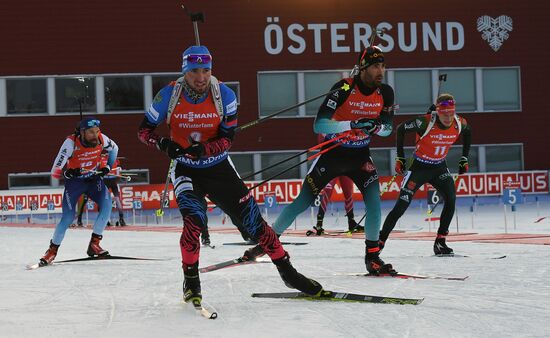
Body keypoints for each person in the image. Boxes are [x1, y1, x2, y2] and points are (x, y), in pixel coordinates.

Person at [137, 45, 323, 305]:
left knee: (255, 226)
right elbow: (144, 131)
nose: (201, 77)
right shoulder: (168, 95)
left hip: (219, 168)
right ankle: (191, 282)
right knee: (194, 222)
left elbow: (228, 139)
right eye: (194, 72)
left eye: (206, 70)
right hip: (186, 170)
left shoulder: (224, 94)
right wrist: (164, 145)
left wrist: (206, 148)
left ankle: (289, 274)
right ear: (184, 71)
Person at [246, 46, 397, 275]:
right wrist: (352, 125)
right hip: (333, 153)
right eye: (376, 66)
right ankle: (267, 244)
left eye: (383, 66)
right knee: (301, 203)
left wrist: (377, 126)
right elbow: (319, 124)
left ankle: (372, 257)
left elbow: (387, 129)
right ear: (364, 67)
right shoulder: (344, 87)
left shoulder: (385, 92)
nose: (381, 71)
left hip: (360, 156)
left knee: (375, 205)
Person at [379, 93, 471, 255]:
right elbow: (401, 129)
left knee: (451, 199)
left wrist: (464, 158)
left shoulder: (459, 122)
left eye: (451, 113)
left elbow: (468, 132)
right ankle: (379, 242)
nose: (449, 117)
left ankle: (440, 242)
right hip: (419, 168)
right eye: (444, 114)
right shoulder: (425, 122)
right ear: (437, 111)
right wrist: (400, 158)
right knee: (401, 206)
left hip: (439, 168)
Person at [38, 117, 119, 266]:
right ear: (82, 132)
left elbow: (115, 149)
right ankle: (51, 251)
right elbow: (55, 171)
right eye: (91, 132)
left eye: (97, 131)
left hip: (94, 180)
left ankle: (94, 244)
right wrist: (68, 173)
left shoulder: (102, 138)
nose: (95, 135)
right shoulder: (70, 143)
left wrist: (107, 167)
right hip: (75, 184)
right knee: (68, 218)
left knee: (107, 205)